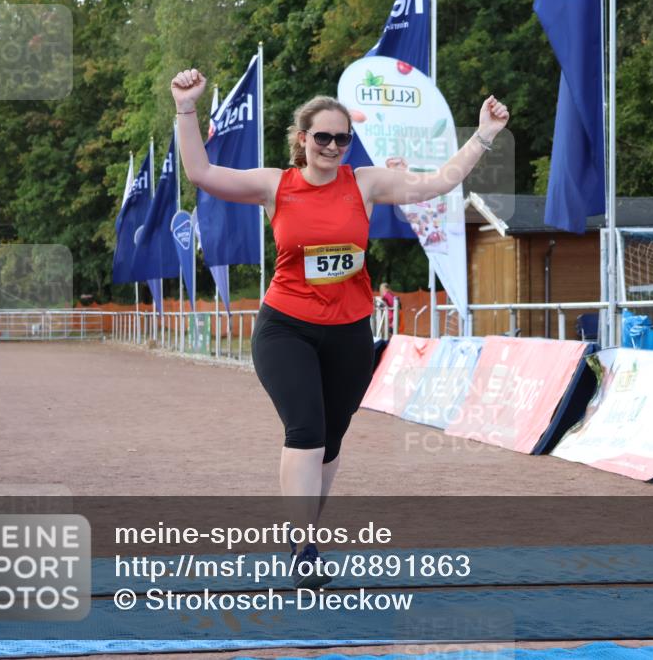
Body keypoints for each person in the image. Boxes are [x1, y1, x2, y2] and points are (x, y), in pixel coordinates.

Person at [170, 68, 509, 585]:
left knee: (330, 439)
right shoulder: (273, 184)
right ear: (302, 139)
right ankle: (305, 550)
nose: (332, 146)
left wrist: (483, 134)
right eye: (323, 137)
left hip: (350, 330)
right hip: (286, 327)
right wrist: (186, 108)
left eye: (342, 138)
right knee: (304, 429)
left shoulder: (365, 182)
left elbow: (439, 182)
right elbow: (200, 172)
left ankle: (301, 533)